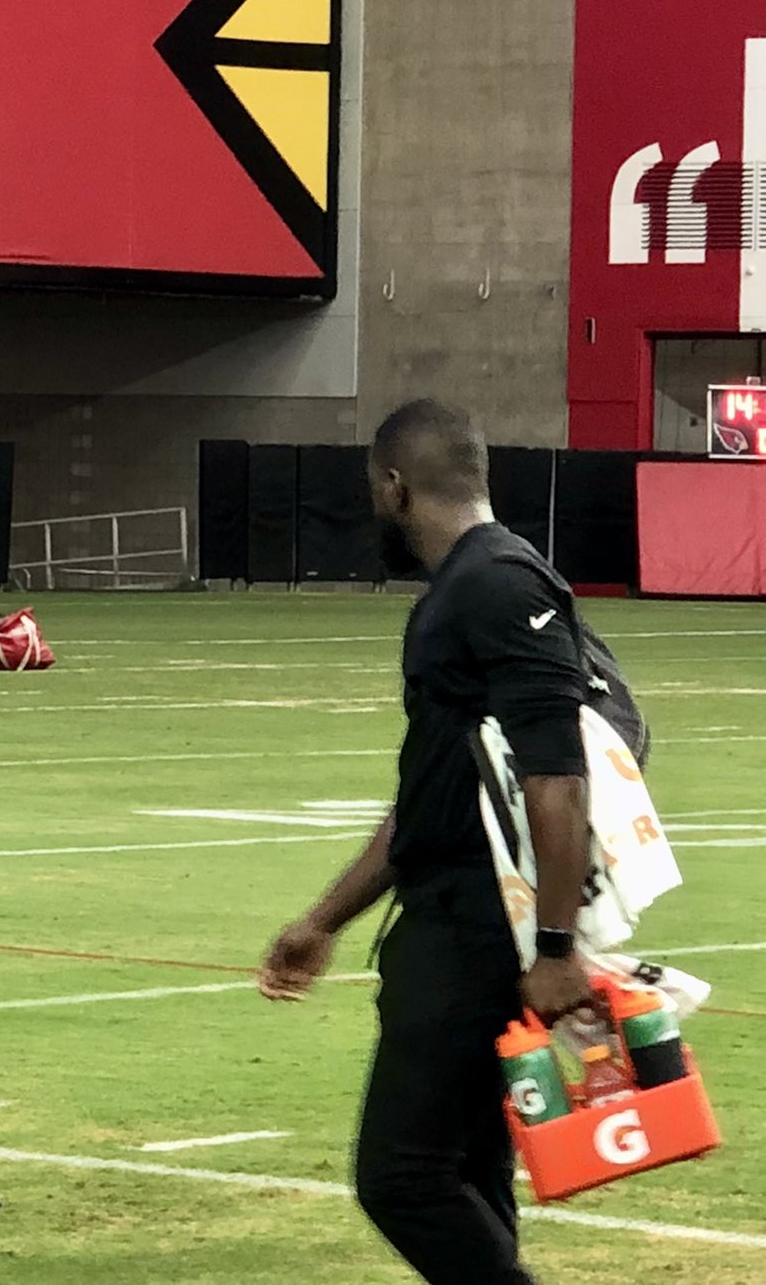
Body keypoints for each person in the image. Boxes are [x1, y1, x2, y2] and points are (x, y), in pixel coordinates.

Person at [258, 400, 597, 1285]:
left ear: (393, 487)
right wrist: (324, 919)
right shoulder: (474, 586)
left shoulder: (496, 584)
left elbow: (559, 776)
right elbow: (430, 797)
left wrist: (556, 947)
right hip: (459, 915)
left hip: (481, 931)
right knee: (466, 1165)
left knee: (401, 1175)